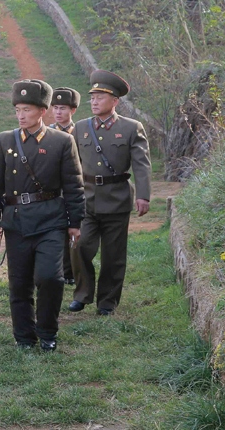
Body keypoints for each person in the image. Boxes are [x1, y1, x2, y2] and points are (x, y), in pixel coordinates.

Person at [0, 79, 84, 351]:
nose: (20, 115)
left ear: (43, 111)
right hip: (16, 221)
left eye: (26, 109)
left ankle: (48, 332)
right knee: (19, 283)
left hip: (51, 219)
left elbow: (74, 183)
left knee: (50, 278)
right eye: (17, 109)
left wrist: (75, 222)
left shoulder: (62, 141)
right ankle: (25, 337)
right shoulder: (5, 139)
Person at [69, 70, 151, 316]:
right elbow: (70, 164)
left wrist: (143, 195)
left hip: (116, 198)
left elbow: (141, 164)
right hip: (86, 198)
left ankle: (107, 301)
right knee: (79, 246)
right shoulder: (80, 128)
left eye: (100, 97)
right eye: (92, 97)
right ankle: (83, 294)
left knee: (113, 256)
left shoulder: (130, 128)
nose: (94, 102)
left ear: (115, 101)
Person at [48, 86, 80, 285]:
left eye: (63, 108)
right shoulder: (47, 133)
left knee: (75, 229)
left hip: (75, 188)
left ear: (72, 111)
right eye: (56, 108)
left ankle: (72, 271)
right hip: (53, 190)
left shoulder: (81, 133)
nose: (59, 112)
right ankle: (60, 270)